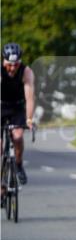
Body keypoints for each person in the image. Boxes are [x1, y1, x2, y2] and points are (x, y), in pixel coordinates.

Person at [1, 43, 35, 185]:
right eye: (10, 64)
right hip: (1, 106)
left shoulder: (26, 72)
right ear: (4, 61)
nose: (13, 68)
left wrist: (29, 119)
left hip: (18, 107)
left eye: (16, 64)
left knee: (18, 136)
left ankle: (19, 165)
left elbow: (30, 98)